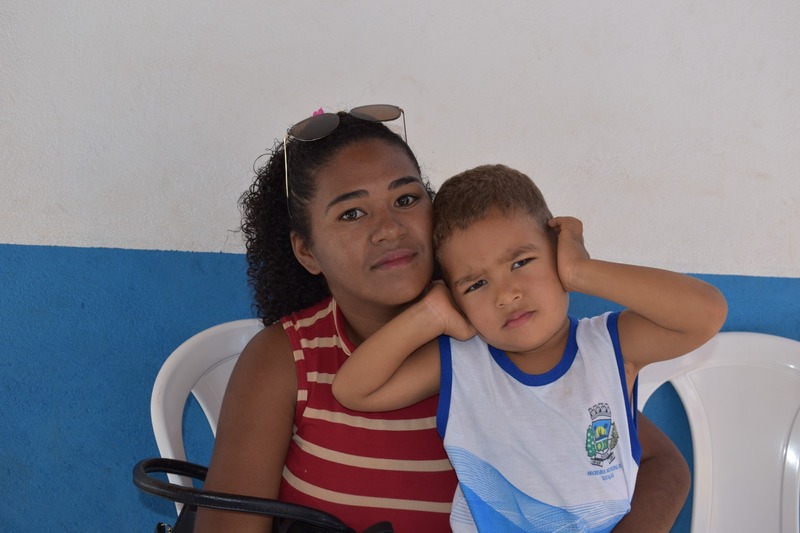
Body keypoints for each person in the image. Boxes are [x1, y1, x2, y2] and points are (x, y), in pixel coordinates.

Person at [196, 108, 693, 533]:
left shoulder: (501, 333)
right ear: (307, 250)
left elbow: (661, 464)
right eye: (351, 214)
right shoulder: (286, 360)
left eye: (406, 199)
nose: (390, 228)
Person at [333, 164, 727, 532]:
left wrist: (581, 271)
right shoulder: (462, 361)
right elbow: (354, 390)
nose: (506, 295)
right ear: (454, 298)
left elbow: (706, 313)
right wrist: (428, 315)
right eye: (475, 284)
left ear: (556, 249)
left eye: (521, 262)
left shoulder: (609, 346)